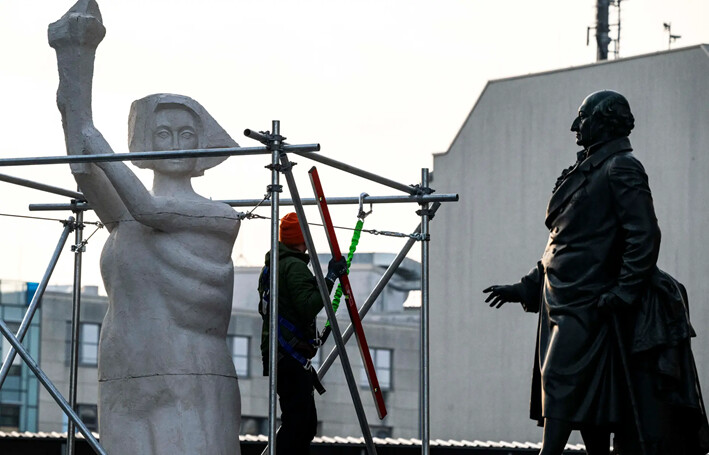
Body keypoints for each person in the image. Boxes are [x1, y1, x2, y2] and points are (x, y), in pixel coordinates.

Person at [49, 2, 241, 454]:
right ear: (142, 143)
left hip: (190, 372)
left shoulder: (218, 216)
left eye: (185, 135)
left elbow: (149, 211)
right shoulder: (123, 218)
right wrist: (75, 64)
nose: (173, 144)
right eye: (162, 133)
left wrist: (97, 141)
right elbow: (84, 169)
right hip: (126, 370)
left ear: (203, 148)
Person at [483, 90, 708, 454]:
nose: (575, 126)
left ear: (605, 121)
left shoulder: (621, 167)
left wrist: (624, 291)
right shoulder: (587, 169)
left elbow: (644, 234)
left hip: (591, 300)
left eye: (583, 117)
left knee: (559, 379)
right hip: (562, 297)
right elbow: (564, 243)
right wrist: (525, 287)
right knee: (593, 400)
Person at [259, 212, 347, 454]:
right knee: (299, 424)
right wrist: (329, 279)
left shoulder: (273, 266)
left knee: (302, 424)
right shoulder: (294, 267)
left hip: (281, 354)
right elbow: (308, 306)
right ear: (301, 238)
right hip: (288, 355)